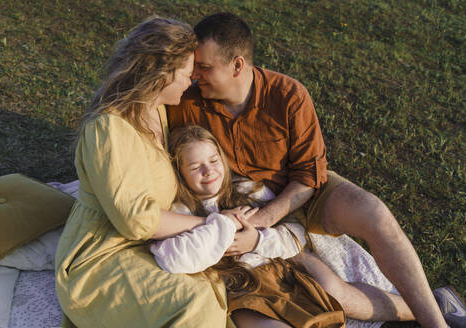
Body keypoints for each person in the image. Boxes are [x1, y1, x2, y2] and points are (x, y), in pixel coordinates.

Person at [168, 12, 465, 328]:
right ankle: (438, 303)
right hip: (239, 202)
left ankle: (437, 322)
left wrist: (266, 219)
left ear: (237, 65)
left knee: (374, 213)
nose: (195, 75)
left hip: (299, 194)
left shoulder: (288, 95)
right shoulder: (186, 102)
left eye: (205, 68)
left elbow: (309, 176)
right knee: (333, 292)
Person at [55, 17, 233, 328]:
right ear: (160, 75)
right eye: (186, 74)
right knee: (194, 302)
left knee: (213, 288)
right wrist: (212, 225)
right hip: (100, 258)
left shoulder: (157, 110)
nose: (191, 81)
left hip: (150, 248)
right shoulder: (108, 128)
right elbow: (137, 219)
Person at [150, 125, 416, 327]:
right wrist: (223, 223)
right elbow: (174, 258)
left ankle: (426, 308)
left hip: (281, 265)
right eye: (196, 167)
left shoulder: (246, 189)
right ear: (180, 173)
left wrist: (256, 241)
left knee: (337, 293)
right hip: (240, 286)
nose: (209, 171)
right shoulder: (181, 210)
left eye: (213, 161)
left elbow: (295, 231)